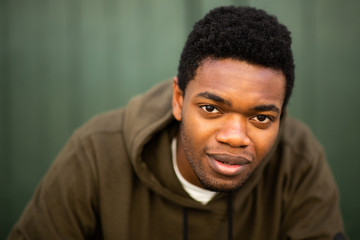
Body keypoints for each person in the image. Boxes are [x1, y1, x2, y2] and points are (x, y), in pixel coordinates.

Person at [8, 6, 346, 240]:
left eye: (260, 118)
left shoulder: (299, 161)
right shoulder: (95, 153)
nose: (234, 137)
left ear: (280, 120)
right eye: (212, 109)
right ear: (179, 100)